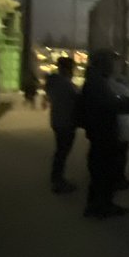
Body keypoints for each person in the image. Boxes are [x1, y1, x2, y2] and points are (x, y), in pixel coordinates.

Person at [80, 49, 129, 218]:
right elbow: (111, 104)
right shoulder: (97, 82)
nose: (115, 65)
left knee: (101, 172)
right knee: (104, 172)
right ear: (103, 63)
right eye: (112, 61)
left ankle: (99, 205)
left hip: (100, 133)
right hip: (103, 133)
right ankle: (100, 207)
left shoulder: (96, 80)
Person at [45, 57, 78, 193]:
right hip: (66, 122)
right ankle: (58, 182)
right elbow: (75, 100)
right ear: (67, 69)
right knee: (63, 151)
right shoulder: (66, 85)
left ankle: (56, 178)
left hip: (57, 120)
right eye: (71, 68)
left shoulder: (54, 82)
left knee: (60, 151)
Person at [109, 57, 129, 190]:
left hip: (119, 124)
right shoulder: (113, 82)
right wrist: (127, 85)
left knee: (119, 153)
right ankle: (119, 180)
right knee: (120, 154)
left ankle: (117, 178)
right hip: (120, 124)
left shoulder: (108, 81)